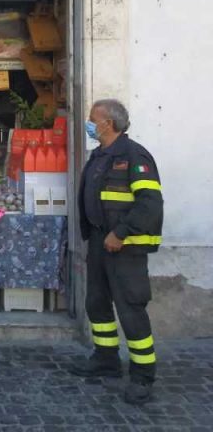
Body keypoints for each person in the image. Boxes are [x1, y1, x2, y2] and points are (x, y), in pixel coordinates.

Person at [70, 99, 163, 405]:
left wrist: (121, 232)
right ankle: (106, 358)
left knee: (130, 310)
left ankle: (143, 376)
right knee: (96, 304)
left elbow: (150, 204)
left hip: (124, 247)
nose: (89, 122)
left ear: (107, 123)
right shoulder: (100, 155)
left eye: (92, 119)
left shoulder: (134, 156)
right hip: (99, 243)